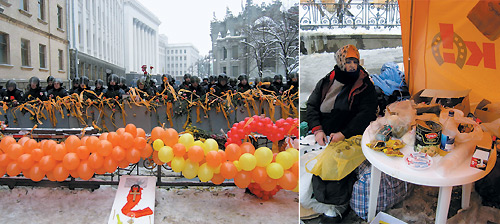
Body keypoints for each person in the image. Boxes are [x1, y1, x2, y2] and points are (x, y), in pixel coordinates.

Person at [306, 44, 378, 223]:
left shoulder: (364, 84)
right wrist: (317, 130)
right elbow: (312, 106)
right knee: (314, 164)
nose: (352, 65)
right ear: (340, 62)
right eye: (348, 61)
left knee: (335, 165)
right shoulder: (327, 80)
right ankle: (324, 200)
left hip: (349, 134)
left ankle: (336, 206)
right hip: (324, 134)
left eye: (355, 61)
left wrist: (344, 133)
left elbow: (365, 115)